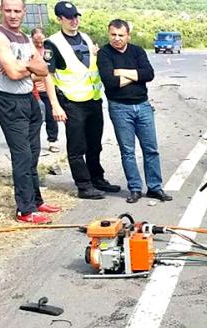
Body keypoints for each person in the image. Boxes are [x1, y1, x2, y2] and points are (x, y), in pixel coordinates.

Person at [0, 0, 61, 224]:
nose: (13, 15)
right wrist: (29, 65)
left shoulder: (24, 37)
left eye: (17, 11)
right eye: (8, 10)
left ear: (24, 12)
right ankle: (25, 210)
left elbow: (43, 70)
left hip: (29, 98)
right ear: (1, 10)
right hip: (9, 101)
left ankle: (36, 201)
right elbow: (12, 73)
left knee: (33, 153)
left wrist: (24, 66)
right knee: (22, 156)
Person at [43, 1, 120, 199]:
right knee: (77, 147)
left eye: (76, 16)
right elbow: (47, 76)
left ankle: (97, 178)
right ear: (59, 19)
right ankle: (84, 186)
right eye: (69, 18)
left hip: (93, 100)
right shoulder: (52, 43)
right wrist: (55, 105)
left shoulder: (85, 37)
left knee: (95, 144)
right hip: (72, 103)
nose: (74, 21)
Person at [97, 19, 172, 204]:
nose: (117, 38)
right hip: (120, 108)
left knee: (151, 149)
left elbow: (149, 74)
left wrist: (120, 71)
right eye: (113, 35)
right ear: (109, 34)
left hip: (143, 106)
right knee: (128, 151)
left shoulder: (137, 51)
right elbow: (110, 82)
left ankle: (155, 187)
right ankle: (135, 188)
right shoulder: (104, 53)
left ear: (128, 36)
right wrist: (136, 75)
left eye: (121, 35)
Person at [29, 26, 59, 153]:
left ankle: (53, 141)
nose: (39, 43)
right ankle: (32, 143)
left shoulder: (49, 50)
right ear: (32, 39)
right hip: (32, 90)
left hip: (48, 90)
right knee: (34, 118)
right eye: (36, 40)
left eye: (41, 39)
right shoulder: (29, 51)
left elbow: (53, 70)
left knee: (51, 117)